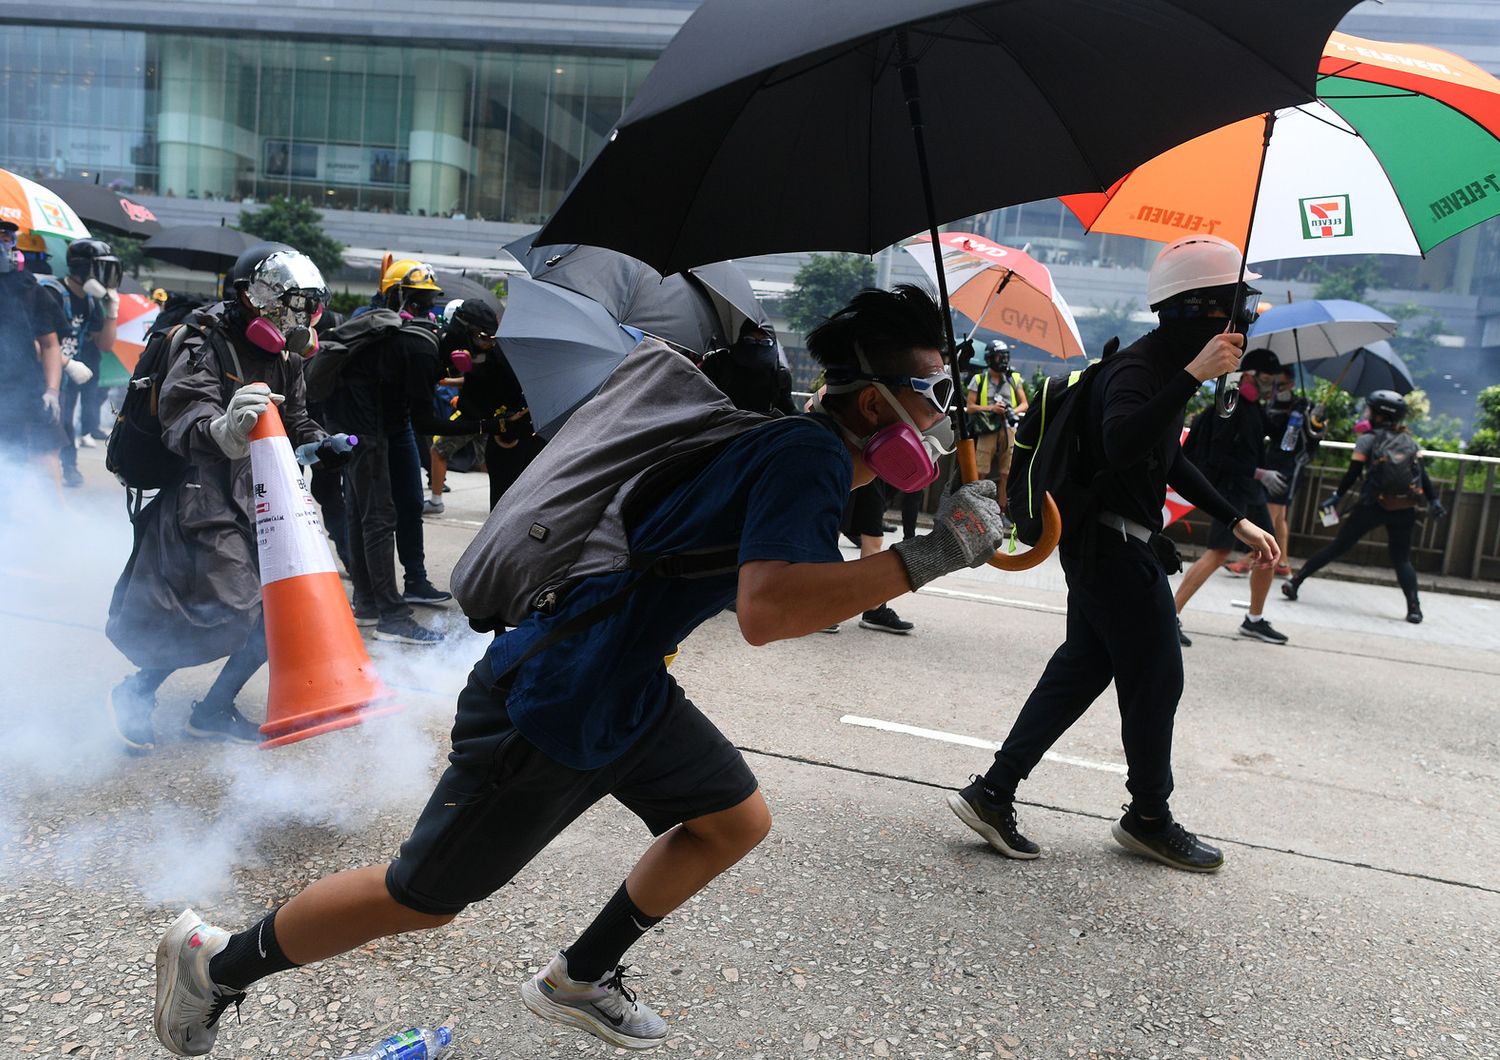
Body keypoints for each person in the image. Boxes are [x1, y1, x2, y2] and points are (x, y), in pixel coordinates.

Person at [149, 285, 1007, 1056]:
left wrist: (925, 539)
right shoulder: (805, 457)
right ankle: (217, 964)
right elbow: (770, 610)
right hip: (559, 696)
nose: (940, 416)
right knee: (424, 898)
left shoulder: (796, 446)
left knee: (731, 820)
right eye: (932, 395)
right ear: (874, 402)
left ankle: (579, 977)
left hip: (624, 684)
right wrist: (927, 559)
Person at [946, 235, 1280, 874]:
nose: (1246, 322)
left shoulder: (1153, 369)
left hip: (1108, 546)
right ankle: (1148, 817)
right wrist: (1192, 376)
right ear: (1200, 310)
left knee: (1080, 669)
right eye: (1239, 307)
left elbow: (1167, 456)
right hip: (1114, 550)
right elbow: (1124, 441)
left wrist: (1233, 518)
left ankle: (993, 792)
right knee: (1157, 678)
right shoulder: (1141, 370)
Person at [105, 243, 351, 750]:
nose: (295, 319)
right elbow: (184, 420)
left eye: (304, 307)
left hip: (268, 498)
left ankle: (213, 710)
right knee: (225, 609)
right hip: (203, 496)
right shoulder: (201, 342)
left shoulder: (285, 352)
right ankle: (134, 693)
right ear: (250, 298)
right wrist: (225, 429)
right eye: (286, 305)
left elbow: (296, 417)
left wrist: (319, 444)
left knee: (276, 613)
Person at [316, 259, 451, 643]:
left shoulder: (401, 331)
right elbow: (424, 414)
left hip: (377, 426)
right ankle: (390, 616)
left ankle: (371, 603)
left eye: (429, 302)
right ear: (393, 294)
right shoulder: (374, 322)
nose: (425, 309)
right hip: (364, 429)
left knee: (371, 512)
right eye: (418, 300)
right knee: (376, 516)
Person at [1282, 389, 1444, 624]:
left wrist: (1336, 496)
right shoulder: (1410, 440)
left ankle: (1295, 582)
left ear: (1378, 414)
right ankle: (1414, 608)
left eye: (1370, 409)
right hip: (1404, 508)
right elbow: (1424, 476)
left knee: (1339, 546)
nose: (1366, 413)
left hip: (1372, 505)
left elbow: (1353, 473)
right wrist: (1434, 501)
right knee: (1402, 559)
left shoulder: (1368, 439)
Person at [1171, 348, 1290, 646]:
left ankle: (1254, 619)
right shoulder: (1231, 404)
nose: (1268, 385)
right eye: (1265, 378)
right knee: (1219, 551)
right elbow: (1216, 457)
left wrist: (1295, 410)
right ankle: (1169, 615)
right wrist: (1258, 472)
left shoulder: (1253, 405)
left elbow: (1274, 433)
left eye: (1273, 380)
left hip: (1250, 489)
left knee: (1268, 551)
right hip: (1228, 488)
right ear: (1248, 375)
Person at [41, 239, 119, 486]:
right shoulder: (51, 293)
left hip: (68, 377)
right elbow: (39, 343)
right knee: (49, 425)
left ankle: (68, 466)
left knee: (65, 421)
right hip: (44, 373)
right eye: (100, 269)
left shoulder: (91, 302)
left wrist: (112, 311)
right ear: (82, 268)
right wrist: (66, 363)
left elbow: (105, 344)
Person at [1234, 363, 1317, 578]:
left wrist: (1306, 415)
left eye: (1281, 382)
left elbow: (1313, 437)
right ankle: (1283, 563)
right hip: (1272, 464)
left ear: (1291, 382)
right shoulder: (1271, 404)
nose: (1277, 387)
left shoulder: (1302, 407)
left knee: (1268, 518)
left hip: (1290, 468)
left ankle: (1249, 560)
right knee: (1279, 519)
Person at [0, 219, 66, 469]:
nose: (2, 244)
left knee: (15, 462)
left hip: (20, 392)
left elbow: (50, 344)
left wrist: (52, 391)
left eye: (6, 238)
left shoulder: (30, 289)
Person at [965, 339, 1028, 511]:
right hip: (987, 428)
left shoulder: (1013, 378)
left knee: (1006, 472)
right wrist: (991, 408)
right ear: (990, 358)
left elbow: (1025, 403)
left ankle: (1001, 510)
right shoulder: (979, 379)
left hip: (1008, 427)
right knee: (981, 470)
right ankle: (977, 507)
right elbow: (970, 407)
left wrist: (1012, 411)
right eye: (999, 356)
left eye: (1005, 356)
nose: (1003, 360)